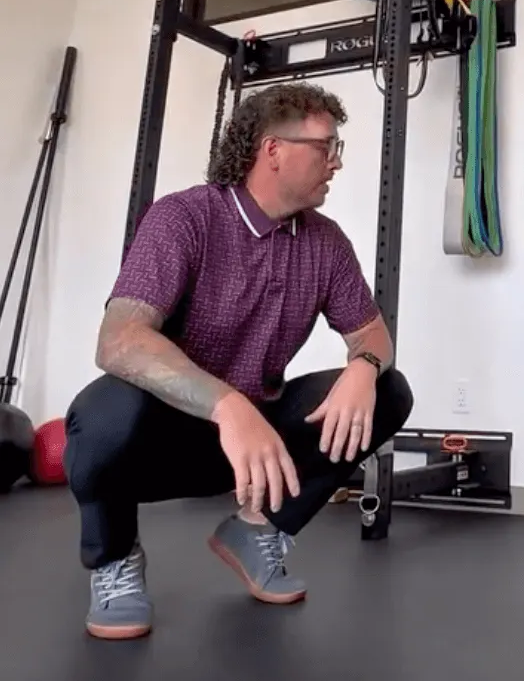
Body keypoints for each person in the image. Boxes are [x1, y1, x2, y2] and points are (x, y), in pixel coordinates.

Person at [63, 82, 414, 639]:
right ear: (272, 150)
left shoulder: (324, 242)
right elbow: (120, 340)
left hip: (257, 452)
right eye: (326, 147)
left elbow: (372, 332)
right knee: (104, 411)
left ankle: (256, 531)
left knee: (390, 392)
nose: (337, 162)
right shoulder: (185, 217)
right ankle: (114, 561)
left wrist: (364, 367)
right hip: (167, 440)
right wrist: (228, 406)